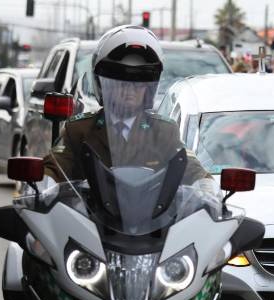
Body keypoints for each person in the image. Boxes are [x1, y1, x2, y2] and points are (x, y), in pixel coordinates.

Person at [44, 25, 209, 185]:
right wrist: (44, 181)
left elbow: (193, 170)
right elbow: (54, 169)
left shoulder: (164, 131)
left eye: (138, 81)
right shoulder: (79, 129)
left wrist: (207, 187)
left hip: (152, 213)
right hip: (88, 213)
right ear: (103, 85)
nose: (129, 89)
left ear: (149, 88)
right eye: (120, 81)